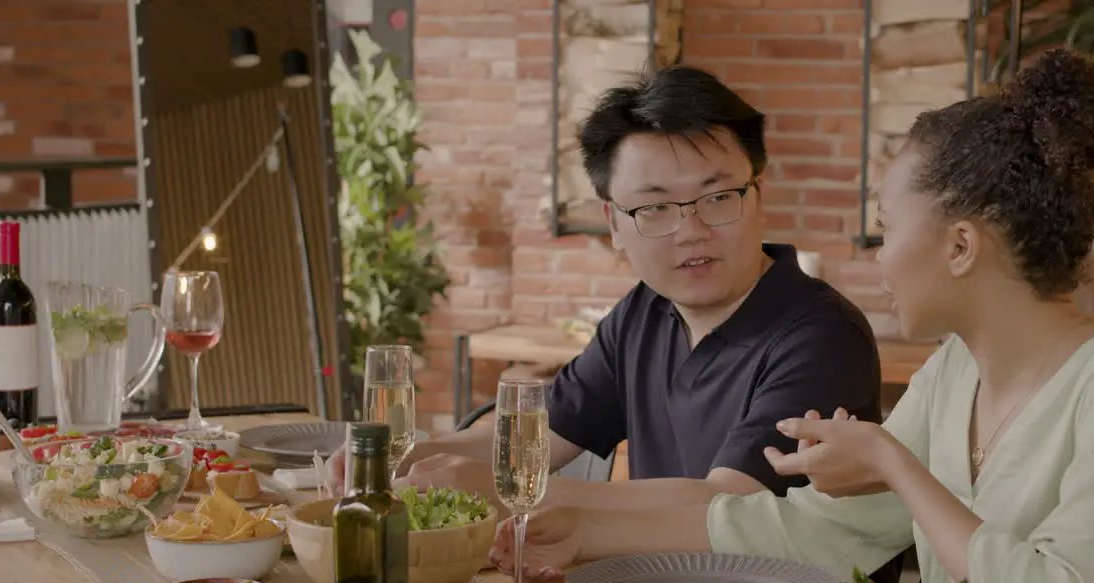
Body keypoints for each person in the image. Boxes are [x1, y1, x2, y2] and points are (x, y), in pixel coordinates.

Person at [488, 48, 1094, 583]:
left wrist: (895, 464)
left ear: (961, 246)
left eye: (888, 228)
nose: (877, 259)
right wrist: (585, 532)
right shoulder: (955, 372)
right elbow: (818, 534)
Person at [330, 66, 882, 513]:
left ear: (758, 194)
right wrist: (393, 456)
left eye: (718, 197)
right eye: (656, 207)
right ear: (615, 222)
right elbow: (535, 442)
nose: (691, 230)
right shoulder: (645, 311)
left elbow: (725, 504)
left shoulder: (820, 334)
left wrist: (506, 494)